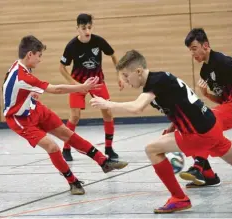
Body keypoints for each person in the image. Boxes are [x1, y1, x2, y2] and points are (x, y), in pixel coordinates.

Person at [90, 50, 232, 213]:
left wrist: (108, 104)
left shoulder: (155, 82)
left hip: (198, 133)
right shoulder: (161, 79)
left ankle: (179, 198)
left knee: (152, 149)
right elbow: (183, 103)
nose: (125, 81)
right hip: (210, 126)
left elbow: (137, 107)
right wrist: (173, 126)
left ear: (138, 71)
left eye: (126, 76)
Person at [3, 35, 128, 196]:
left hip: (35, 108)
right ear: (30, 55)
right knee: (52, 147)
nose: (40, 60)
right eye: (39, 56)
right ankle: (73, 182)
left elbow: (11, 88)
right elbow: (56, 90)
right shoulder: (22, 75)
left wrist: (29, 95)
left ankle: (103, 161)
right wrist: (81, 87)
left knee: (67, 134)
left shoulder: (21, 67)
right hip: (20, 119)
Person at [60, 13, 122, 161]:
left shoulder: (98, 41)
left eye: (89, 27)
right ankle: (66, 149)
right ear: (77, 29)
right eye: (83, 28)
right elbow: (62, 68)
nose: (87, 31)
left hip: (97, 82)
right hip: (78, 84)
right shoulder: (71, 46)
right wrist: (75, 85)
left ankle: (109, 148)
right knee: (75, 116)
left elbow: (113, 55)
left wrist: (119, 75)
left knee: (107, 112)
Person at [179, 28, 232, 188]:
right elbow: (222, 99)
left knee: (206, 121)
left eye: (194, 48)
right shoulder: (205, 71)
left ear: (206, 46)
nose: (193, 54)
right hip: (228, 106)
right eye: (190, 50)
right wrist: (206, 95)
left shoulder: (224, 62)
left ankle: (197, 167)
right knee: (191, 126)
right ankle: (208, 176)